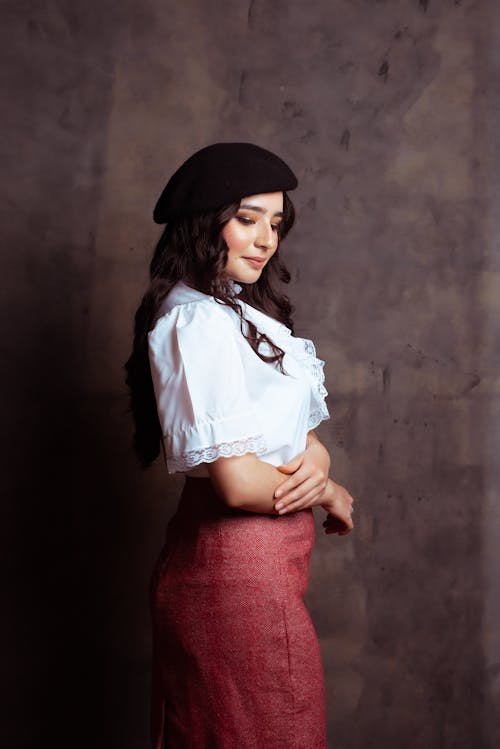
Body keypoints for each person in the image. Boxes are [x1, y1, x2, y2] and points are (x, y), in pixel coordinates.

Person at [124, 142, 355, 749]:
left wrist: (319, 463)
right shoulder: (195, 321)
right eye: (247, 219)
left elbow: (297, 434)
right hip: (236, 574)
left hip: (259, 573)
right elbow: (236, 482)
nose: (265, 240)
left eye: (275, 224)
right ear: (205, 224)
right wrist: (325, 489)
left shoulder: (237, 316)